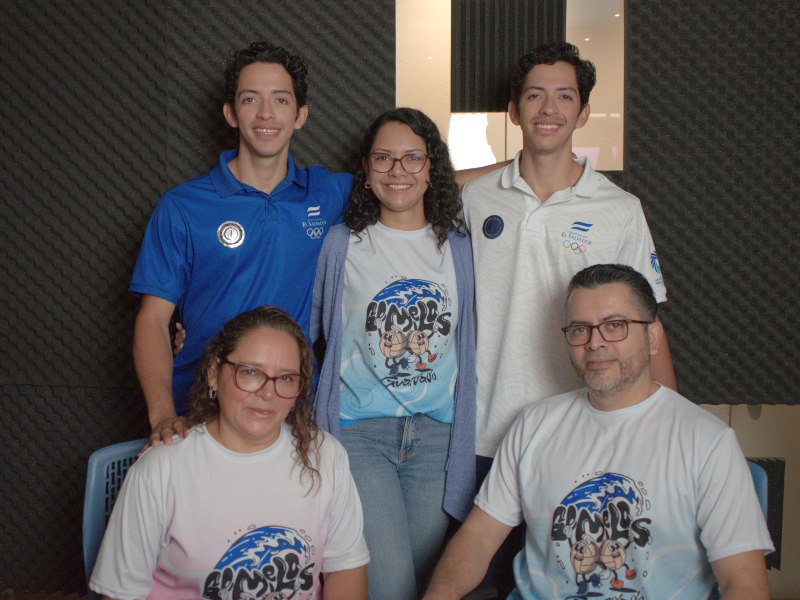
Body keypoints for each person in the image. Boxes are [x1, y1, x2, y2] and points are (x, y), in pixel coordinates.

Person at [460, 41, 677, 593]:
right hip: (483, 436)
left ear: (583, 113)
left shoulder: (619, 209)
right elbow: (399, 187)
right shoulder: (475, 198)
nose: (548, 109)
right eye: (534, 95)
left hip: (585, 439)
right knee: (483, 585)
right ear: (514, 110)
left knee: (574, 585)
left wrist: (669, 428)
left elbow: (648, 325)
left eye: (564, 97)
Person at [422, 264, 773, 600]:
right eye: (580, 329)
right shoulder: (533, 425)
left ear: (652, 336)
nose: (594, 342)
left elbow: (744, 585)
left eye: (615, 325)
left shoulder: (708, 442)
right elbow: (480, 537)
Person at [130, 41, 353, 446]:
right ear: (231, 112)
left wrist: (510, 165)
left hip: (290, 410)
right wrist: (163, 415)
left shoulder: (327, 193)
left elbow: (410, 182)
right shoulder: (183, 207)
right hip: (198, 412)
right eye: (251, 99)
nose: (266, 113)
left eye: (280, 100)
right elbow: (152, 320)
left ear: (300, 114)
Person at [90, 306, 369, 599]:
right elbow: (120, 594)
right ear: (213, 373)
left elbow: (345, 569)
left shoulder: (325, 456)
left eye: (286, 378)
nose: (267, 392)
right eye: (250, 372)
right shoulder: (161, 469)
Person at [311, 108, 476, 599]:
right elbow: (316, 329)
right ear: (365, 168)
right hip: (362, 435)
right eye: (383, 158)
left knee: (423, 582)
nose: (398, 170)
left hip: (436, 439)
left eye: (412, 158)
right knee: (390, 584)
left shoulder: (460, 248)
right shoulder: (342, 244)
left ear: (432, 167)